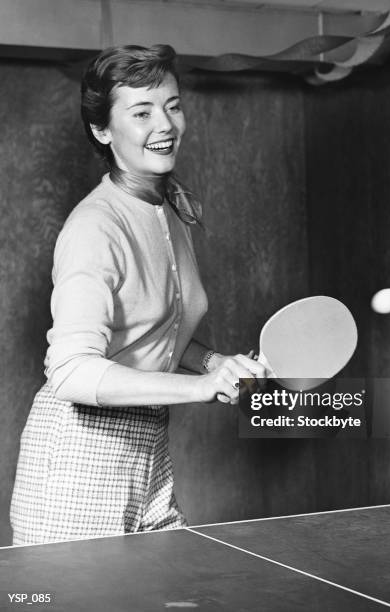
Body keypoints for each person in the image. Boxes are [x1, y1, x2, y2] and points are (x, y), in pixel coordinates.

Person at [10, 44, 265, 545]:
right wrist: (199, 388)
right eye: (142, 112)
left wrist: (215, 364)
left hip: (148, 452)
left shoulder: (169, 210)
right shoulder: (95, 226)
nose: (165, 124)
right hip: (77, 462)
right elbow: (71, 370)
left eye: (173, 105)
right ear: (103, 130)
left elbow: (154, 331)